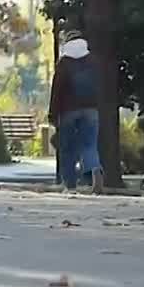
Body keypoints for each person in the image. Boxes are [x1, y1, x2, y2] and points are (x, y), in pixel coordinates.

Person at [49, 29, 103, 193]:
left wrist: (53, 113)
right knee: (90, 144)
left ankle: (70, 183)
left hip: (68, 111)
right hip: (91, 109)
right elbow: (99, 86)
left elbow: (57, 90)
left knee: (68, 148)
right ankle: (94, 169)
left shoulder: (64, 63)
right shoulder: (93, 60)